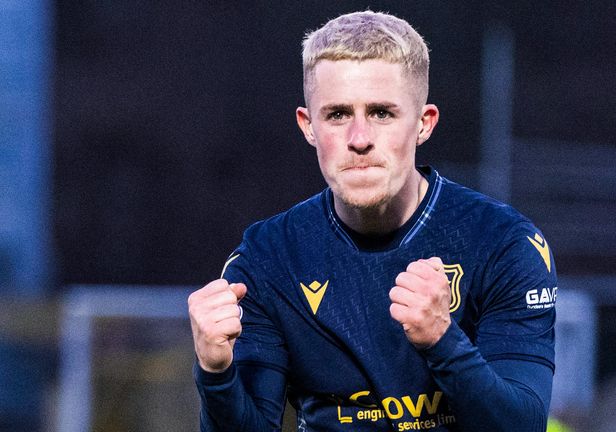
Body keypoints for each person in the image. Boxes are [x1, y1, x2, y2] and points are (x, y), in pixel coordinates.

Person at [188, 10, 556, 432]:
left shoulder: (504, 244)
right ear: (308, 126)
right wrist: (215, 374)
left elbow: (524, 426)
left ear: (423, 123)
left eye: (381, 113)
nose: (359, 139)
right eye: (338, 114)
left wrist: (443, 339)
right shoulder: (267, 258)